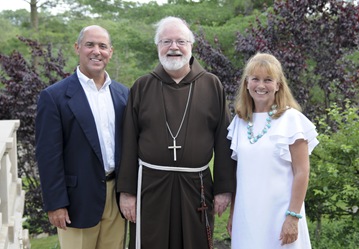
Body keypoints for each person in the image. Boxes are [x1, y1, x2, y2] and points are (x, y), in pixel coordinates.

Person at [116, 16, 236, 249]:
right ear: (158, 46)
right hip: (150, 187)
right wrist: (127, 192)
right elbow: (128, 142)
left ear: (191, 45)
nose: (173, 47)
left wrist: (223, 189)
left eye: (180, 41)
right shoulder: (142, 86)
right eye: (166, 41)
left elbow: (223, 140)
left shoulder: (212, 85)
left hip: (196, 186)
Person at [35, 25, 129, 249]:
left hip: (116, 198)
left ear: (111, 52)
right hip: (77, 200)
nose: (97, 51)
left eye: (103, 46)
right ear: (77, 48)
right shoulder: (54, 97)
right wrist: (56, 204)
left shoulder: (124, 94)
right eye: (90, 45)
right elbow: (48, 156)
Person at [226, 52, 319, 248]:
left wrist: (293, 217)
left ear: (278, 85)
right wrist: (233, 213)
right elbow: (238, 174)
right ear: (246, 83)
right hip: (247, 216)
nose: (261, 85)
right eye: (255, 79)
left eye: (268, 80)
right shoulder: (240, 122)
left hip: (281, 215)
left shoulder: (291, 119)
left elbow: (302, 172)